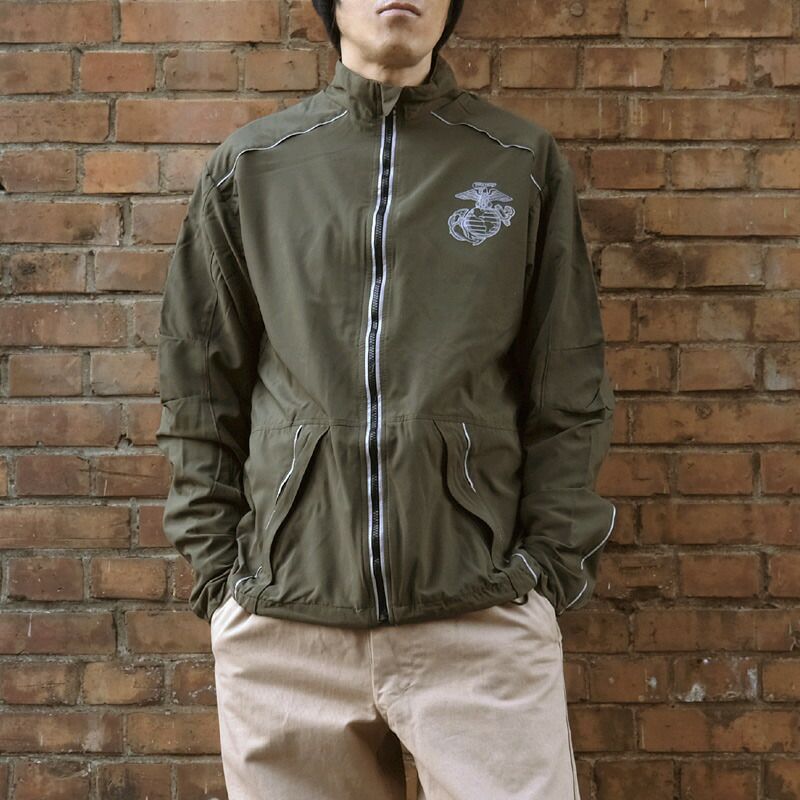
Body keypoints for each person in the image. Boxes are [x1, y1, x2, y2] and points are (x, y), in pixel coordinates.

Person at [155, 0, 616, 797]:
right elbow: (199, 384)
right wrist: (221, 576)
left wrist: (545, 569)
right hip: (287, 629)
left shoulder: (518, 161)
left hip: (480, 616)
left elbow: (567, 382)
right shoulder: (253, 167)